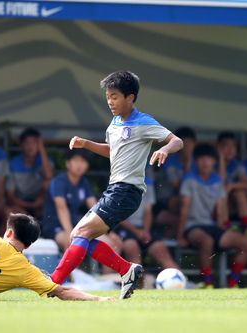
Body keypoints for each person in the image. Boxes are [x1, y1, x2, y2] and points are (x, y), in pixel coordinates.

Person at [49, 71, 183, 300]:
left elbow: (176, 140)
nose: (110, 102)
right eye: (108, 97)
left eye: (115, 96)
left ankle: (52, 283)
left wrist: (163, 149)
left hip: (126, 191)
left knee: (80, 233)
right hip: (115, 190)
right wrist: (85, 143)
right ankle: (126, 270)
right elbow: (112, 151)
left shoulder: (143, 122)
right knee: (78, 237)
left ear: (130, 98)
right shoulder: (114, 123)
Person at [177, 144, 247, 288]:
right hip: (192, 227)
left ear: (214, 162)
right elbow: (184, 209)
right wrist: (180, 236)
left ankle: (231, 285)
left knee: (246, 243)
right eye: (201, 158)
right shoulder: (189, 179)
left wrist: (222, 229)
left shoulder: (217, 180)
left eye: (209, 158)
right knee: (207, 241)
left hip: (211, 226)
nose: (205, 162)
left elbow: (221, 209)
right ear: (196, 161)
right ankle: (208, 285)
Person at [42, 149, 122, 275]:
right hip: (55, 226)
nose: (79, 164)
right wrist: (71, 235)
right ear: (68, 164)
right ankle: (69, 282)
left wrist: (108, 231)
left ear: (87, 165)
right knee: (70, 244)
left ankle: (108, 280)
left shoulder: (84, 182)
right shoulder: (59, 181)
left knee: (112, 242)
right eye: (76, 161)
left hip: (75, 226)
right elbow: (61, 209)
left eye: (83, 161)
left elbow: (96, 208)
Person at [113, 175, 179, 271]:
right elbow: (116, 214)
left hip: (144, 229)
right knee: (132, 249)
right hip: (124, 228)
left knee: (161, 249)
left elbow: (148, 211)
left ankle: (182, 282)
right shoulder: (117, 181)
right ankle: (137, 284)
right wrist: (136, 232)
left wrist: (145, 231)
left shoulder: (148, 181)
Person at [155, 126, 197, 238]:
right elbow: (182, 188)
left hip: (185, 207)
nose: (187, 146)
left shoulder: (198, 161)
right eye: (184, 143)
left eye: (190, 143)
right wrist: (188, 162)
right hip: (164, 204)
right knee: (185, 224)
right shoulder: (169, 161)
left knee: (184, 225)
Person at [6, 127, 53, 218]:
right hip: (20, 203)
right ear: (21, 145)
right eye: (27, 142)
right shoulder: (13, 164)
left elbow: (49, 177)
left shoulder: (45, 161)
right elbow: (10, 198)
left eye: (34, 142)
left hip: (39, 201)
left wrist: (42, 150)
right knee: (16, 215)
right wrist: (33, 205)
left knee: (48, 183)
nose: (30, 146)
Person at [217, 131, 247, 235]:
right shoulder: (211, 162)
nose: (230, 150)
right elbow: (220, 184)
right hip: (214, 206)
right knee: (222, 193)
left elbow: (246, 185)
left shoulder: (237, 164)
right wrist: (221, 159)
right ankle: (226, 229)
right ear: (219, 147)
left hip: (230, 206)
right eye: (226, 146)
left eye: (233, 146)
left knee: (239, 192)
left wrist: (231, 185)